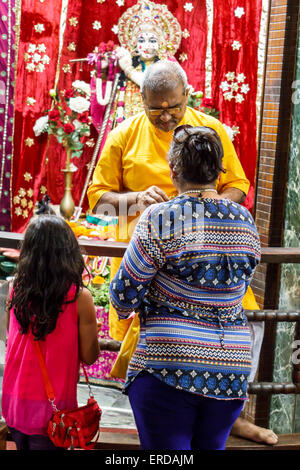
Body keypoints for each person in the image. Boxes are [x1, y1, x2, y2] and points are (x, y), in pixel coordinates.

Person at [87, 60, 278, 445]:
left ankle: (230, 414)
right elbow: (98, 202)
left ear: (187, 96)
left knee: (245, 316)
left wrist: (202, 213)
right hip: (146, 263)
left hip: (208, 256)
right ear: (140, 99)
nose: (166, 115)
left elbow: (238, 184)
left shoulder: (211, 131)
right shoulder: (124, 135)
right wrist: (136, 199)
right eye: (156, 108)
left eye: (173, 107)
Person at [109, 125, 260, 450]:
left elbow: (122, 297)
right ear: (219, 170)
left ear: (174, 169)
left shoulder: (159, 218)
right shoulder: (244, 221)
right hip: (230, 372)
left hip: (168, 368)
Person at [1, 214, 100, 450]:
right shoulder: (79, 297)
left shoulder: (16, 288)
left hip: (15, 402)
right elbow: (90, 356)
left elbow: (9, 335)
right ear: (68, 251)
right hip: (54, 410)